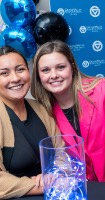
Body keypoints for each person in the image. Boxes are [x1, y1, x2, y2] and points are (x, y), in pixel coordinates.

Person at [31, 40, 105, 198]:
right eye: (45, 70)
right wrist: (51, 173)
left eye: (60, 67)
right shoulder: (44, 108)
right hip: (82, 183)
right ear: (38, 76)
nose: (54, 75)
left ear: (72, 67)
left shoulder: (101, 88)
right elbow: (57, 152)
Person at [0, 46, 59, 199]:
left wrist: (53, 174)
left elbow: (62, 151)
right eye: (4, 73)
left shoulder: (41, 108)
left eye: (20, 69)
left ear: (29, 72)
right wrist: (37, 185)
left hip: (55, 191)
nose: (15, 78)